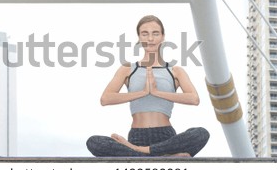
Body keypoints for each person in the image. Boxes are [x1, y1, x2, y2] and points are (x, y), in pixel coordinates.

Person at [86, 15, 209, 157]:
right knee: (94, 142)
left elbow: (194, 99)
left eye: (155, 33)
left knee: (200, 133)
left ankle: (141, 153)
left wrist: (156, 92)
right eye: (145, 34)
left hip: (166, 137)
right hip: (137, 136)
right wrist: (144, 92)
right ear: (139, 38)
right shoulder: (127, 69)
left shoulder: (175, 71)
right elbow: (105, 99)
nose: (150, 39)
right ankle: (164, 157)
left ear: (163, 37)